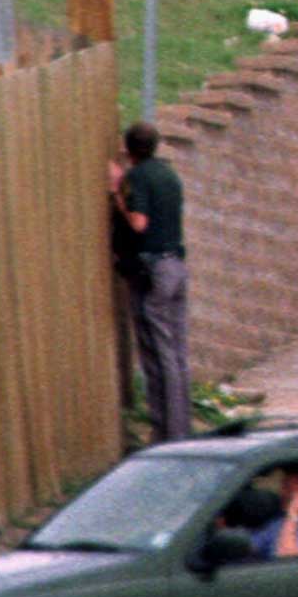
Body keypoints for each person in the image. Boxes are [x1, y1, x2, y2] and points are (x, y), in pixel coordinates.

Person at [108, 120, 191, 440]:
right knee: (178, 352)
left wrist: (117, 194)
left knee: (159, 355)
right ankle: (181, 429)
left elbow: (139, 224)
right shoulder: (169, 174)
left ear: (129, 150)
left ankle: (169, 435)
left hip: (154, 272)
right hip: (177, 268)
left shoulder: (138, 177)